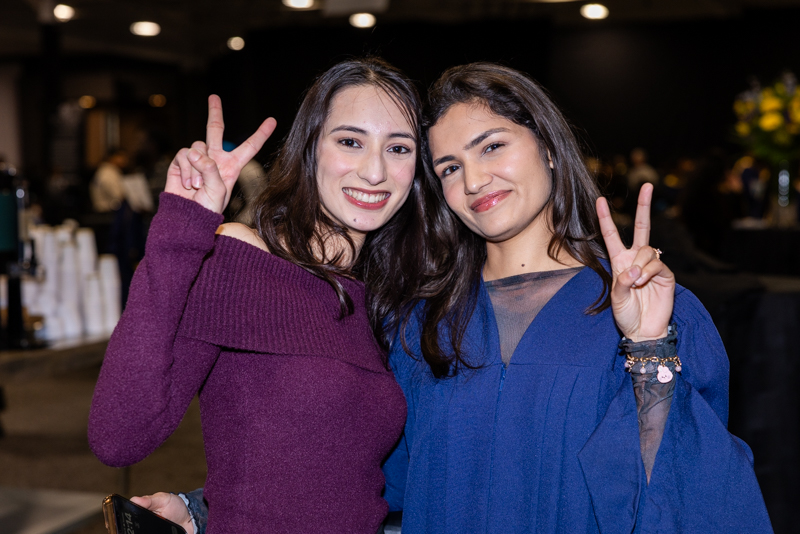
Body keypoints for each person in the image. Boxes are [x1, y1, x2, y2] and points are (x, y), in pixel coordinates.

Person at [138, 63, 773, 533]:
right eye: (446, 167)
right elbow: (360, 468)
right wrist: (205, 506)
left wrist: (647, 344)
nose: (473, 180)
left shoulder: (648, 307)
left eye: (492, 146)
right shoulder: (420, 321)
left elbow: (697, 495)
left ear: (549, 149)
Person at [88, 58, 443, 534]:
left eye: (398, 148)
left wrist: (198, 506)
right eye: (350, 141)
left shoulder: (384, 292)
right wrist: (181, 231)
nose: (375, 171)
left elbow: (338, 478)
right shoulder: (241, 259)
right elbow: (119, 436)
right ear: (311, 148)